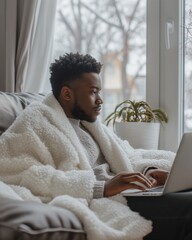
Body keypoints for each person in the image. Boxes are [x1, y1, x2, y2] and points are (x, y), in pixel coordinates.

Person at [0, 52, 191, 240]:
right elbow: (15, 170)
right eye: (93, 92)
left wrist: (150, 173)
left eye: (99, 92)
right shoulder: (36, 120)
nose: (100, 99)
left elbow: (127, 154)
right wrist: (101, 187)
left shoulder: (91, 124)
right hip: (108, 200)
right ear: (67, 93)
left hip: (129, 192)